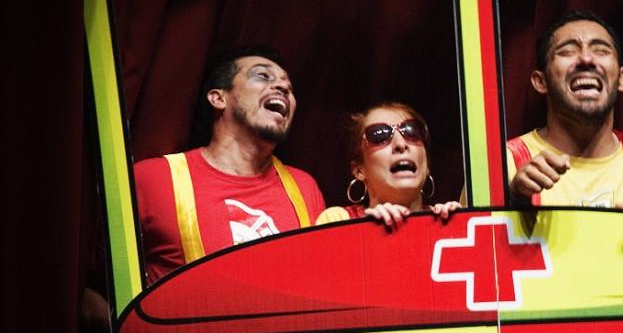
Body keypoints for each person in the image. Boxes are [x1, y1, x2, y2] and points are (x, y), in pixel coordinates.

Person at [134, 45, 325, 283]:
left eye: (290, 86)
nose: (283, 87)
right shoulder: (153, 178)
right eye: (262, 76)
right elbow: (95, 291)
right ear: (218, 98)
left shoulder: (304, 188)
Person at [507, 10, 623, 235]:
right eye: (567, 51)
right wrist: (511, 200)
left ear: (622, 79)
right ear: (540, 81)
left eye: (601, 50)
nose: (586, 59)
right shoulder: (502, 165)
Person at [316, 102, 459, 230]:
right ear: (359, 170)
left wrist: (456, 225)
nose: (400, 145)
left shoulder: (448, 221)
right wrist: (367, 231)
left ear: (427, 164)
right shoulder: (337, 221)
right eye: (379, 135)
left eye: (412, 131)